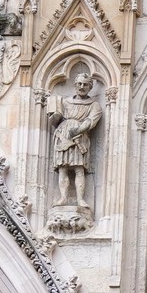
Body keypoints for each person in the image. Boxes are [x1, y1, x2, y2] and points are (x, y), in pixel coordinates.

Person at [49, 70, 101, 209]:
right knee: (63, 168)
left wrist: (78, 130)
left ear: (90, 86)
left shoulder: (94, 105)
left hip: (79, 137)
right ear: (75, 85)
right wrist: (54, 116)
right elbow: (56, 121)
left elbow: (91, 121)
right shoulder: (65, 102)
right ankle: (63, 198)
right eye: (79, 84)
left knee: (79, 168)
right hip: (63, 134)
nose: (82, 87)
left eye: (85, 84)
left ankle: (80, 199)